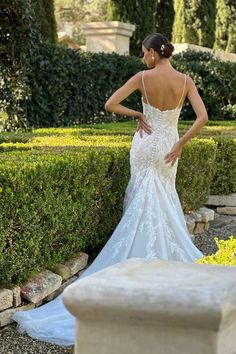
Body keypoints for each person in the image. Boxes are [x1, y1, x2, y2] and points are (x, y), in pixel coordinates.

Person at [13, 33, 207, 346]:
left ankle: (137, 262)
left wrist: (139, 113)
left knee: (144, 197)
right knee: (162, 197)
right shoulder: (185, 81)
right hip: (169, 148)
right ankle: (160, 262)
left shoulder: (143, 77)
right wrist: (181, 143)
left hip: (145, 145)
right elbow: (203, 117)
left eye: (143, 52)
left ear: (153, 54)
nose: (143, 57)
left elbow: (110, 104)